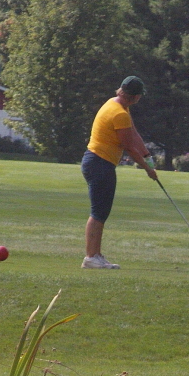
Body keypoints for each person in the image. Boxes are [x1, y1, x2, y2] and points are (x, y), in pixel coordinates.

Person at [81, 76, 157, 269]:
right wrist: (147, 169)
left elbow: (134, 134)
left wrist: (147, 155)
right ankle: (91, 257)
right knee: (98, 211)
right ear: (136, 96)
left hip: (97, 162)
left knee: (102, 211)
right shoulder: (119, 114)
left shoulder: (116, 105)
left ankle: (96, 255)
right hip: (100, 163)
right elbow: (129, 147)